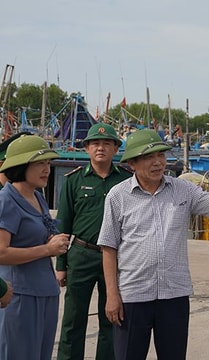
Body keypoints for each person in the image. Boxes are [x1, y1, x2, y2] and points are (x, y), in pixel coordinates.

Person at [97, 129, 209, 360]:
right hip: (133, 295)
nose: (158, 162)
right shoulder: (118, 196)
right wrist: (112, 295)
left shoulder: (183, 189)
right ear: (132, 164)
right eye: (149, 157)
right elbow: (109, 248)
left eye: (161, 156)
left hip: (173, 295)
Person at [55, 123, 132, 360]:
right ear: (87, 148)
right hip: (82, 254)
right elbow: (64, 224)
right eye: (95, 144)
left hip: (116, 257)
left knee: (113, 317)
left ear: (116, 148)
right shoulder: (74, 180)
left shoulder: (126, 180)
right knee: (73, 319)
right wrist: (61, 265)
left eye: (107, 143)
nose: (100, 148)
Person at [0, 135, 71, 359]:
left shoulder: (38, 197)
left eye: (48, 163)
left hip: (45, 291)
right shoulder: (6, 200)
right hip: (19, 295)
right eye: (39, 163)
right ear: (21, 165)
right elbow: (1, 252)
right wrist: (48, 250)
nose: (46, 169)